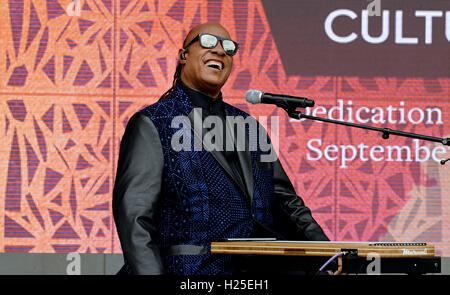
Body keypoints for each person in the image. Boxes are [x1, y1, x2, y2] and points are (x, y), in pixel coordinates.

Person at [113, 22, 340, 275]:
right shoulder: (154, 122)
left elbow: (287, 203)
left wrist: (326, 252)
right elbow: (135, 219)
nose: (221, 51)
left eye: (229, 48)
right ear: (183, 55)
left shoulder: (249, 127)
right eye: (209, 42)